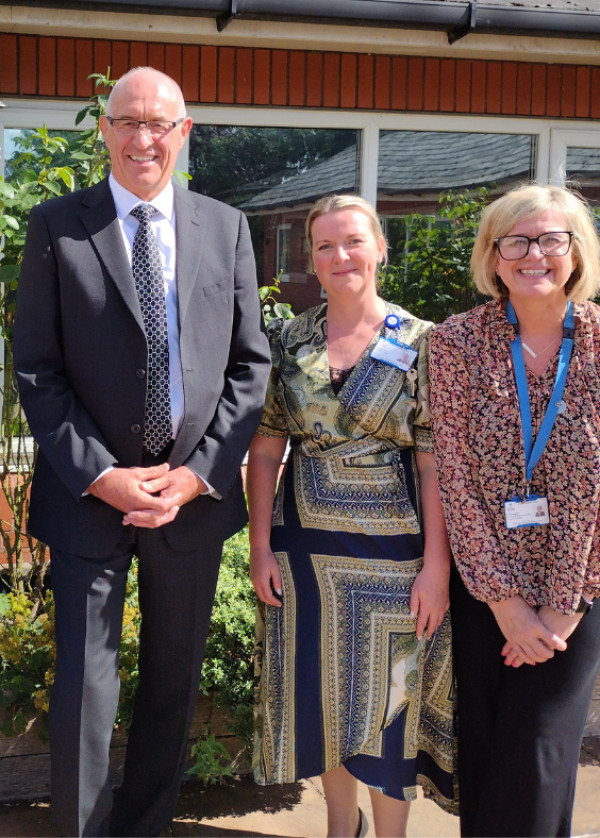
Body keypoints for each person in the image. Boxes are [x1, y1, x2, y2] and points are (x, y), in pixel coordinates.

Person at [12, 66, 271, 837]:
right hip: (89, 500)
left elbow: (249, 366)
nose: (143, 138)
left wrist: (200, 475)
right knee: (85, 692)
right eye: (128, 121)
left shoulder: (225, 227)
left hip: (189, 504)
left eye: (160, 124)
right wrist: (102, 476)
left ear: (183, 134)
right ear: (105, 131)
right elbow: (36, 369)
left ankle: (146, 827)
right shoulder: (57, 227)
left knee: (171, 683)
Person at [247, 195, 456, 838]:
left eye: (354, 242)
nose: (341, 256)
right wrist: (258, 548)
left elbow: (434, 464)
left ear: (380, 247)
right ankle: (343, 827)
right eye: (326, 246)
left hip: (397, 560)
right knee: (322, 699)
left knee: (394, 704)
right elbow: (265, 447)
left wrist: (437, 570)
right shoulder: (287, 339)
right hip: (304, 552)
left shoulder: (422, 342)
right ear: (311, 257)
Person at [429, 183, 600, 837]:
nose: (534, 254)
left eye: (551, 238)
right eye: (516, 241)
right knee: (491, 754)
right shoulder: (455, 344)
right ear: (493, 256)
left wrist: (559, 607)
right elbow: (456, 478)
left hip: (578, 593)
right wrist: (504, 602)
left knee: (538, 753)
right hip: (485, 593)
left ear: (576, 251)